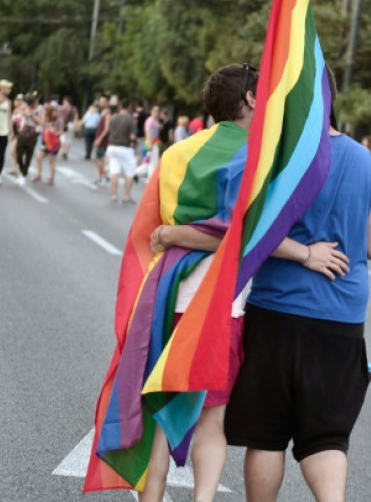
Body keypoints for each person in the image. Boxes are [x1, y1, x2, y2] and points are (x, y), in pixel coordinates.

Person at [136, 63, 347, 502]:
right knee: (212, 419)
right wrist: (307, 254)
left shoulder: (176, 153)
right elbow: (243, 236)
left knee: (160, 411)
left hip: (167, 294)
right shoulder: (257, 157)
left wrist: (174, 234)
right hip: (219, 306)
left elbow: (156, 229)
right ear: (250, 99)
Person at [225, 65, 371, 502]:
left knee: (267, 434)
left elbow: (249, 230)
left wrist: (302, 250)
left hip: (276, 310)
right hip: (341, 318)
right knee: (327, 437)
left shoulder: (279, 156)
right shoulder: (364, 159)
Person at [105, 97, 139, 204]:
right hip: (125, 147)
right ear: (129, 107)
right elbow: (132, 136)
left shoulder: (113, 118)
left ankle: (114, 195)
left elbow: (109, 130)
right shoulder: (130, 119)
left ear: (120, 106)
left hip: (112, 147)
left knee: (114, 171)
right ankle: (126, 196)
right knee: (129, 172)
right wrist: (136, 143)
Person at [13, 95, 40, 185]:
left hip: (32, 135)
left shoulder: (40, 109)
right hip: (22, 134)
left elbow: (40, 121)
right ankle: (22, 170)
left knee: (28, 156)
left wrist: (31, 115)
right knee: (18, 155)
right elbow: (17, 114)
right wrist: (22, 111)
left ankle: (24, 174)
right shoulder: (25, 107)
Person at [32, 104, 61, 185]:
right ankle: (39, 174)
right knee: (38, 157)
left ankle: (51, 178)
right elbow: (40, 122)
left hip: (54, 143)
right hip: (45, 142)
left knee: (51, 161)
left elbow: (61, 131)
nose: (54, 112)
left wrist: (54, 132)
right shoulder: (45, 119)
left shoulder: (59, 120)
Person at [91, 95, 111, 186]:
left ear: (107, 102)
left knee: (94, 158)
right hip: (99, 137)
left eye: (104, 101)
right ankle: (99, 178)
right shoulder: (102, 112)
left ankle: (106, 175)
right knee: (100, 159)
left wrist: (99, 138)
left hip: (102, 140)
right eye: (101, 101)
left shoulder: (107, 113)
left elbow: (107, 128)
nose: (102, 103)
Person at [57, 95, 79, 160]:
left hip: (64, 124)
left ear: (66, 101)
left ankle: (63, 150)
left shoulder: (62, 108)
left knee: (62, 137)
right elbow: (76, 118)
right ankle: (66, 152)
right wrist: (76, 125)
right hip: (71, 124)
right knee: (69, 139)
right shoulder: (74, 108)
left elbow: (58, 116)